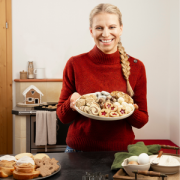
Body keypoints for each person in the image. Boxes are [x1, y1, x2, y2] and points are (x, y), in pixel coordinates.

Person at [56, 3, 148, 152]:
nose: (105, 34)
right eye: (99, 28)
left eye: (112, 27)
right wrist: (71, 103)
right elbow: (62, 117)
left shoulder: (137, 67)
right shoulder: (74, 64)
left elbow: (142, 120)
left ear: (121, 29)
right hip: (78, 151)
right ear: (91, 31)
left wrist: (128, 109)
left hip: (120, 153)